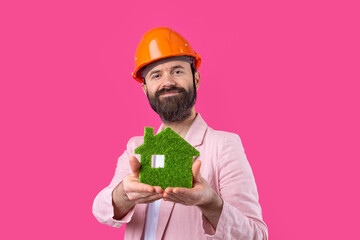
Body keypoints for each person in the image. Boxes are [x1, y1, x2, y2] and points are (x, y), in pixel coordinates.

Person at [92, 27, 268, 240]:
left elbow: (257, 236)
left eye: (177, 71)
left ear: (196, 79)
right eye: (156, 75)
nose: (167, 82)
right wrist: (125, 193)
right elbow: (101, 210)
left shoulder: (223, 145)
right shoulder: (136, 149)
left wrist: (210, 202)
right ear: (145, 89)